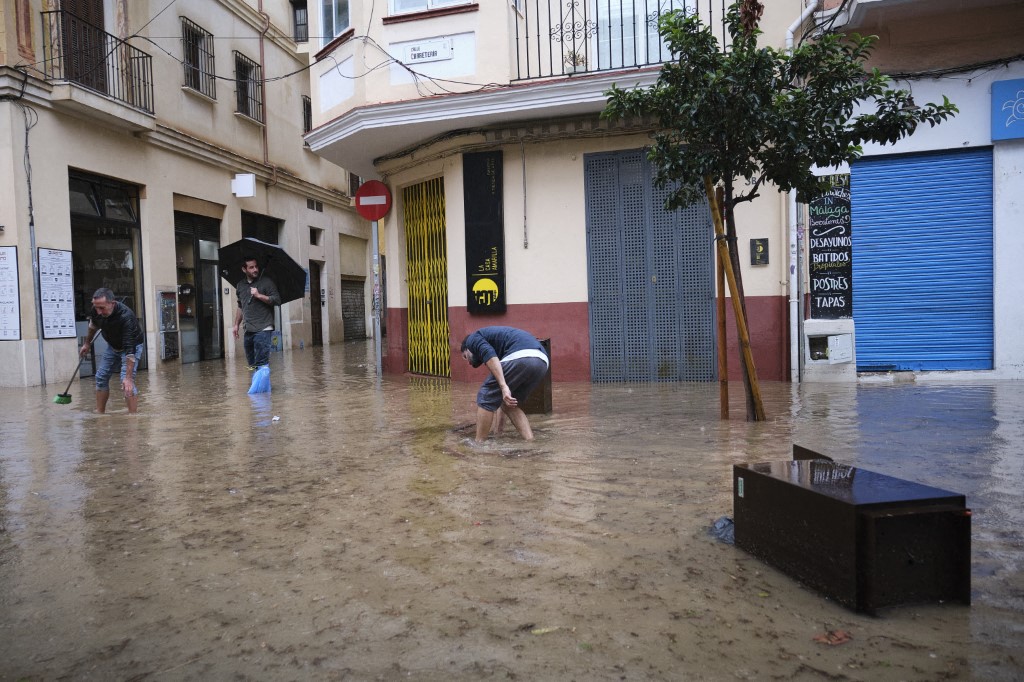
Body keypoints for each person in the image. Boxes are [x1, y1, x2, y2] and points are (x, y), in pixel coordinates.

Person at [460, 326, 549, 442]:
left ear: (468, 348)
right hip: (542, 361)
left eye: (466, 357)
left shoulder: (472, 339)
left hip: (521, 355)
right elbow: (501, 398)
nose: (469, 363)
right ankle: (530, 441)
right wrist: (498, 434)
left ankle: (478, 444)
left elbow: (491, 357)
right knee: (508, 403)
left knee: (486, 395)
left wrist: (503, 386)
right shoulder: (500, 345)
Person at [79, 287, 145, 414]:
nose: (98, 311)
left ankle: (133, 418)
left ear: (112, 303)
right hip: (112, 346)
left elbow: (130, 351)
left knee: (126, 382)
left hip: (131, 347)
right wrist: (87, 343)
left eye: (102, 308)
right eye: (96, 307)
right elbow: (93, 326)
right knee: (101, 377)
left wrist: (129, 378)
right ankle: (100, 413)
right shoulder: (96, 310)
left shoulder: (126, 317)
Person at [232, 256, 281, 370]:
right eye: (251, 267)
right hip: (248, 329)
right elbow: (241, 306)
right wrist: (236, 325)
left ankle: (261, 387)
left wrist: (259, 295)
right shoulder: (240, 285)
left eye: (256, 266)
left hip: (263, 328)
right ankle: (260, 386)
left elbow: (277, 300)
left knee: (261, 364)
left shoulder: (267, 282)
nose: (255, 270)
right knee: (252, 366)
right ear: (244, 270)